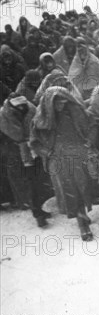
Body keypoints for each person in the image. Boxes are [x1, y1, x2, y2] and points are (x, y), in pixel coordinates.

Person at [30, 86, 94, 240]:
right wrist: (47, 152)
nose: (61, 106)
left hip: (77, 154)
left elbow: (91, 126)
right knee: (70, 189)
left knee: (83, 185)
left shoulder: (75, 113)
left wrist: (88, 144)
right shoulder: (40, 120)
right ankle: (82, 222)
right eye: (57, 103)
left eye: (64, 102)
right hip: (58, 159)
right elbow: (34, 142)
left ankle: (82, 214)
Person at [0, 95, 52, 227]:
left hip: (34, 149)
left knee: (38, 180)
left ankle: (38, 208)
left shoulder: (31, 110)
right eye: (18, 106)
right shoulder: (4, 117)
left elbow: (37, 127)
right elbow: (11, 136)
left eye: (23, 105)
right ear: (11, 106)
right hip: (15, 154)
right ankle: (36, 212)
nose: (22, 108)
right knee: (27, 184)